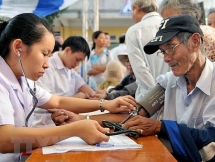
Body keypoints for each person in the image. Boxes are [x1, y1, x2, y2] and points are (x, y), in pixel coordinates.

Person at [0, 13, 137, 162]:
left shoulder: (24, 81)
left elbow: (57, 102)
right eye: (44, 54)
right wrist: (74, 129)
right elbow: (4, 140)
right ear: (18, 47)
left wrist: (106, 104)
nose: (47, 64)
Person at [124, 15, 215, 161]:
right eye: (163, 51)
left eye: (171, 48)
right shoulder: (168, 81)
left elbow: (211, 138)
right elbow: (139, 111)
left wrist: (162, 127)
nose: (166, 58)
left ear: (195, 42)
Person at [32, 36, 96, 128]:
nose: (78, 64)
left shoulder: (69, 69)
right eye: (77, 60)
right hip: (45, 124)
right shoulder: (48, 67)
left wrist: (99, 98)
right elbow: (50, 104)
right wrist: (75, 99)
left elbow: (84, 87)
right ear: (68, 50)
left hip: (63, 121)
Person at [125, 0, 170, 102]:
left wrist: (156, 96)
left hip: (148, 99)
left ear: (136, 8)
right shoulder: (169, 25)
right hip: (173, 94)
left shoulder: (134, 31)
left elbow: (140, 69)